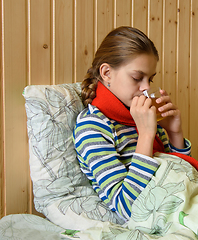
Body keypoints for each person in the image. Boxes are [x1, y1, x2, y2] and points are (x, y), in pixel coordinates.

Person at [73, 26, 191, 223]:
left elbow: (184, 176)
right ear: (107, 73)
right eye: (137, 78)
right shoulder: (92, 128)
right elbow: (128, 208)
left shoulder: (144, 116)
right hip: (153, 216)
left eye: (150, 79)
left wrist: (175, 133)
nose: (146, 88)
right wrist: (145, 136)